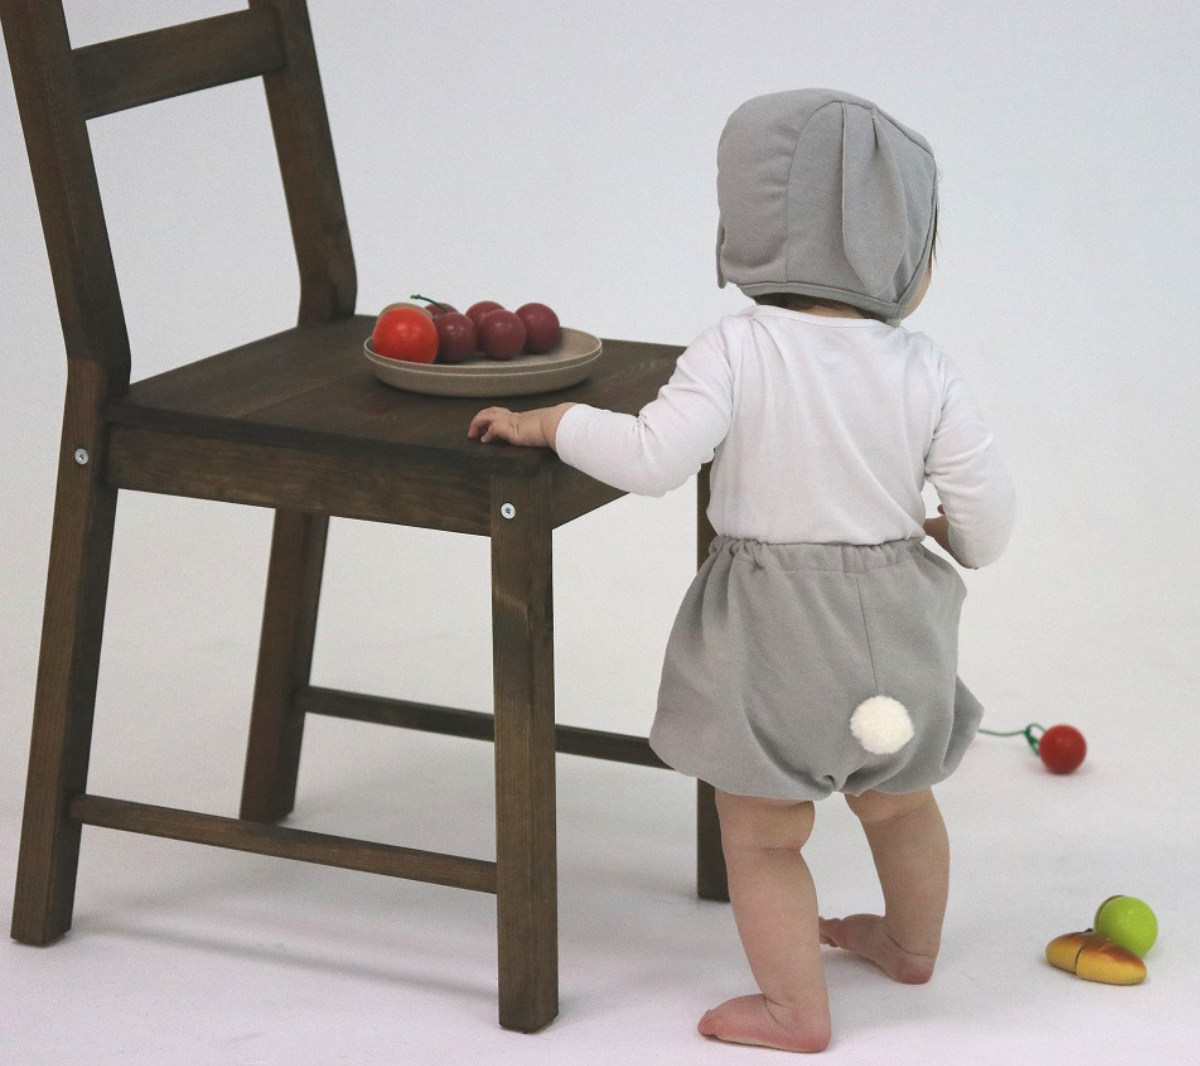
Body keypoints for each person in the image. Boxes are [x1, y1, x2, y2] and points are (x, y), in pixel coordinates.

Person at [468, 88, 1015, 1053]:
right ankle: (910, 946)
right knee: (900, 804)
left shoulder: (736, 349)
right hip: (902, 632)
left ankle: (794, 1010)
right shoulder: (925, 366)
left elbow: (652, 459)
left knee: (763, 834)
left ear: (752, 228)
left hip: (777, 637)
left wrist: (554, 422)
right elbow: (989, 517)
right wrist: (950, 537)